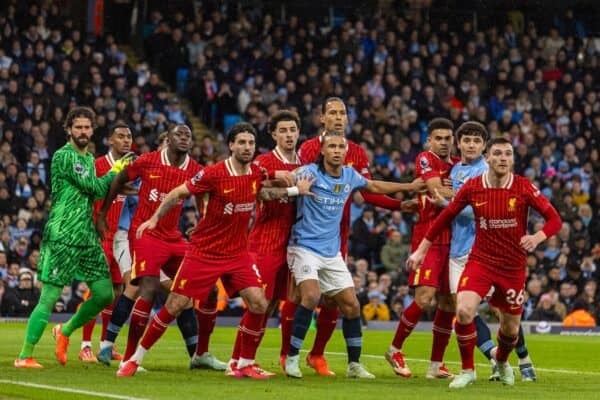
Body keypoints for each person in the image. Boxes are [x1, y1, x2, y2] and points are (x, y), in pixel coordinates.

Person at [116, 122, 313, 377]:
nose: (246, 147)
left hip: (237, 253)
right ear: (231, 145)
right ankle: (135, 358)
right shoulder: (213, 173)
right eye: (241, 142)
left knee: (259, 303)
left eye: (251, 143)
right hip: (204, 252)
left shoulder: (255, 172)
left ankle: (243, 364)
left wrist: (295, 189)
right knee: (176, 304)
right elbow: (177, 193)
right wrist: (154, 219)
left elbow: (262, 195)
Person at [407, 137, 562, 388]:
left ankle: (501, 361)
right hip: (480, 261)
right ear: (488, 158)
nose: (503, 158)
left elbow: (555, 220)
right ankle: (468, 370)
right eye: (497, 153)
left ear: (512, 159)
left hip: (512, 267)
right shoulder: (472, 187)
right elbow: (445, 216)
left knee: (510, 330)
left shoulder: (523, 187)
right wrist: (422, 249)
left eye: (508, 154)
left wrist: (537, 237)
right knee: (464, 311)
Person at [280, 97, 415, 376]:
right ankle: (287, 354)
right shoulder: (307, 151)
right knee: (303, 296)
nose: (339, 118)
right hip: (303, 236)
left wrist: (403, 200)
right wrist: (290, 190)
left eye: (343, 113)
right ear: (322, 118)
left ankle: (326, 357)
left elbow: (370, 190)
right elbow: (285, 181)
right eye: (333, 113)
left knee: (343, 302)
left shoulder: (355, 157)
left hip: (336, 237)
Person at [95, 125, 224, 371]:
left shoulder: (196, 170)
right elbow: (119, 178)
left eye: (188, 135)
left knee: (201, 290)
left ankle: (199, 354)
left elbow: (205, 197)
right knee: (147, 287)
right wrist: (102, 214)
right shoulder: (147, 161)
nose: (184, 138)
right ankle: (128, 356)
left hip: (173, 237)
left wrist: (203, 223)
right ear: (167, 140)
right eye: (179, 134)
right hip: (144, 233)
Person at [14, 106, 133, 368]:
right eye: (77, 127)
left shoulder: (90, 159)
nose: (82, 131)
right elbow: (95, 187)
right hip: (63, 233)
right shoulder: (64, 157)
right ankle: (25, 355)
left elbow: (97, 192)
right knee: (50, 296)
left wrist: (116, 180)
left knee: (104, 294)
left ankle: (65, 331)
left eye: (87, 127)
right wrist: (117, 171)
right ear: (69, 130)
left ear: (92, 130)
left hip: (87, 235)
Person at [432, 122, 538, 382]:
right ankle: (496, 360)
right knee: (466, 311)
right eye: (466, 140)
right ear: (459, 144)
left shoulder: (486, 170)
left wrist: (446, 202)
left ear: (485, 148)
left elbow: (473, 212)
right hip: (459, 251)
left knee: (502, 312)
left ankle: (522, 360)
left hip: (482, 251)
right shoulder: (457, 170)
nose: (470, 145)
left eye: (476, 141)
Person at [227, 110, 303, 375]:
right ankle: (237, 361)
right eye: (282, 130)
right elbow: (258, 188)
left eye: (292, 130)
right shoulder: (263, 161)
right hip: (265, 242)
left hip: (292, 244)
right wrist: (282, 180)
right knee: (259, 301)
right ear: (273, 134)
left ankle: (244, 360)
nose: (288, 135)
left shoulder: (304, 164)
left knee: (270, 306)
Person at [386, 118, 458, 379]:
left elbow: (452, 196)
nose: (443, 143)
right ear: (429, 140)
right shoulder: (425, 159)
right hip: (428, 236)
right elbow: (436, 191)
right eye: (438, 138)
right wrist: (453, 192)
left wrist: (451, 192)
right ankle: (394, 349)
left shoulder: (459, 165)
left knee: (449, 301)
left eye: (448, 138)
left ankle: (436, 365)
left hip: (455, 239)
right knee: (425, 298)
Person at [79, 122, 132, 363]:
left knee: (115, 292)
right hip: (97, 234)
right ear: (110, 140)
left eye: (129, 137)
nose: (126, 140)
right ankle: (85, 345)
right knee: (99, 292)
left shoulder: (130, 166)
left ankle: (105, 346)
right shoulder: (98, 164)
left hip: (117, 236)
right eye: (120, 136)